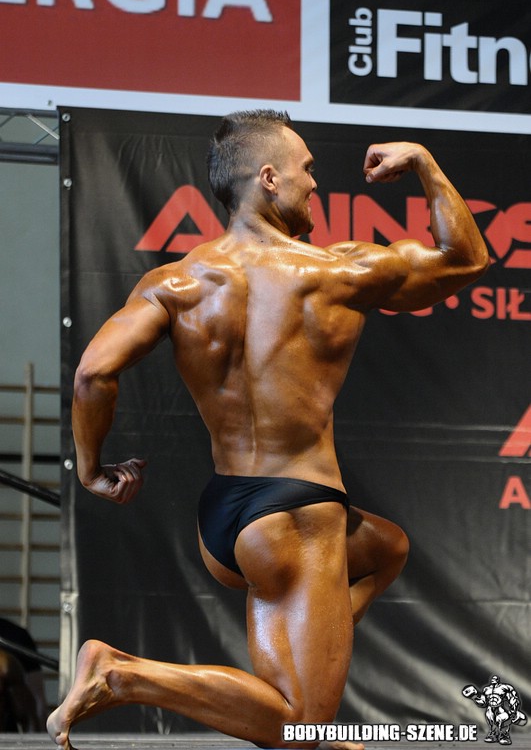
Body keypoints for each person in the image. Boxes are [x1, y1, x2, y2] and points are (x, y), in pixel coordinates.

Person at [47, 110, 489, 750]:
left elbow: (93, 373)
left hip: (225, 516)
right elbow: (464, 259)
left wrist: (90, 469)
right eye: (307, 169)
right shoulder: (335, 272)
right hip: (298, 514)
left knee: (387, 549)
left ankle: (315, 658)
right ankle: (122, 674)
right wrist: (422, 160)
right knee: (301, 728)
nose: (315, 183)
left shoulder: (175, 281)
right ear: (269, 178)